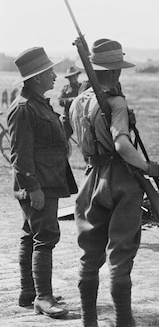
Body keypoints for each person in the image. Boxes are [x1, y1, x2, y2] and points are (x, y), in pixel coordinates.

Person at [69, 39, 159, 327]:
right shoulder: (116, 102)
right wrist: (147, 167)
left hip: (90, 179)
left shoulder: (77, 102)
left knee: (89, 251)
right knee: (120, 253)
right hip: (120, 179)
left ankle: (89, 321)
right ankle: (123, 321)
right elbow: (121, 145)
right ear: (116, 72)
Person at [7, 47, 77, 319]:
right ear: (37, 78)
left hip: (46, 181)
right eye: (50, 72)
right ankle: (43, 298)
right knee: (45, 236)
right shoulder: (24, 108)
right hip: (39, 185)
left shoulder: (37, 103)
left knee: (31, 234)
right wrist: (33, 187)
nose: (55, 76)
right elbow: (19, 155)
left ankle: (29, 292)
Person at [58, 66, 82, 139]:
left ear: (77, 76)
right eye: (70, 77)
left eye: (74, 76)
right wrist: (74, 100)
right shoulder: (65, 89)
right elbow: (60, 101)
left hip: (80, 117)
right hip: (68, 117)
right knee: (63, 137)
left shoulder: (82, 87)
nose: (72, 79)